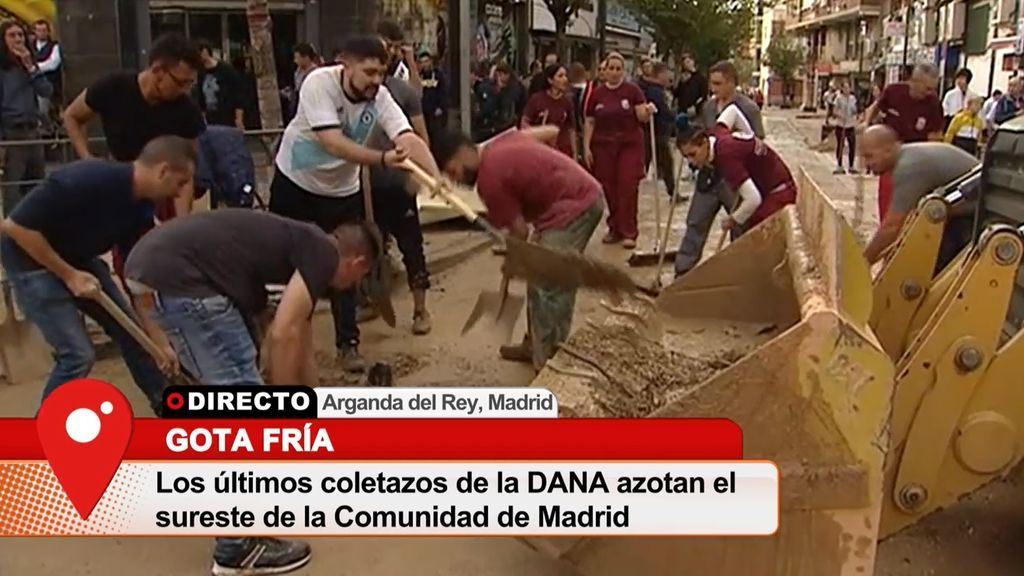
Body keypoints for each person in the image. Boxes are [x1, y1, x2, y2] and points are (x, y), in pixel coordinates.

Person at [126, 210, 368, 576]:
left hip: (162, 275)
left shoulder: (301, 246)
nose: (350, 287)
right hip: (185, 284)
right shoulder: (322, 252)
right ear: (357, 262)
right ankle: (235, 550)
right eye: (359, 279)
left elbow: (297, 335)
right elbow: (283, 334)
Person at [267, 35, 439, 373]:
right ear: (345, 64)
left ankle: (348, 345)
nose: (376, 80)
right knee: (280, 270)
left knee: (345, 268)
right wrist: (384, 158)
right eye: (369, 72)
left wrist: (436, 178)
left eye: (382, 73)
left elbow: (407, 138)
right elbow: (333, 143)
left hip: (340, 192)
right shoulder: (319, 83)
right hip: (295, 184)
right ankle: (275, 346)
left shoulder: (382, 97)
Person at [0, 136, 195, 415]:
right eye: (179, 183)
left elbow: (135, 279)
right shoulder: (89, 178)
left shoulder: (141, 208)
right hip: (30, 260)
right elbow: (15, 227)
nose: (178, 195)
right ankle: (43, 434)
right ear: (162, 170)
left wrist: (157, 340)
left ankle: (169, 409)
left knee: (135, 337)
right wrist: (69, 276)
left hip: (79, 258)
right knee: (77, 355)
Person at [435, 125, 604, 369]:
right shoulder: (500, 142)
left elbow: (519, 232)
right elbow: (549, 133)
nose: (456, 181)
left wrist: (513, 261)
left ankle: (549, 361)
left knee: (550, 284)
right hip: (568, 199)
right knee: (538, 276)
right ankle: (535, 344)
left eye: (453, 172)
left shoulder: (489, 181)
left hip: (576, 205)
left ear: (463, 154)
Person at [62, 32, 205, 266]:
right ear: (158, 71)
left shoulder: (185, 111)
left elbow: (186, 172)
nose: (184, 90)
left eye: (190, 84)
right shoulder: (113, 87)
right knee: (123, 258)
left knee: (164, 257)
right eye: (180, 82)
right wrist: (86, 158)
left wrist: (181, 221)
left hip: (163, 186)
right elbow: (72, 115)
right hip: (122, 182)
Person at [359, 35, 434, 336]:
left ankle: (420, 310)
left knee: (412, 247)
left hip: (398, 186)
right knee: (368, 247)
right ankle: (371, 301)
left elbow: (420, 136)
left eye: (385, 53)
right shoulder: (350, 96)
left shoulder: (402, 93)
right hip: (365, 186)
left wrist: (422, 178)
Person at [674, 59, 765, 277]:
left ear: (732, 82)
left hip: (735, 179)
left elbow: (758, 141)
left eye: (718, 84)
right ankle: (683, 272)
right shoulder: (708, 107)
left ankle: (738, 275)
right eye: (712, 84)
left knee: (739, 226)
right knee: (695, 221)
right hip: (708, 174)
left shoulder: (748, 108)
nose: (714, 90)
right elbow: (702, 136)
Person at [860, 125, 979, 271]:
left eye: (870, 156)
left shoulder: (908, 168)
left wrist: (862, 263)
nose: (867, 164)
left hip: (973, 216)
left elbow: (892, 226)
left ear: (888, 150)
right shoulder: (909, 155)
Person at [675, 125, 796, 239]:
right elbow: (733, 111)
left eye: (692, 154)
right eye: (686, 157)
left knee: (754, 234)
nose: (690, 161)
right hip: (777, 186)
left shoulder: (726, 158)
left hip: (780, 194)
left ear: (705, 143)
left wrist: (733, 219)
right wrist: (749, 137)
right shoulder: (717, 132)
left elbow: (754, 199)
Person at [583, 52, 653, 249]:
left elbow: (641, 116)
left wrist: (647, 112)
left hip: (629, 145)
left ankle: (630, 231)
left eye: (618, 68)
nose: (614, 72)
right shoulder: (596, 94)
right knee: (609, 188)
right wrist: (586, 147)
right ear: (604, 71)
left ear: (623, 71)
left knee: (627, 186)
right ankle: (614, 228)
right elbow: (589, 121)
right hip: (603, 146)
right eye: (610, 68)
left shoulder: (633, 91)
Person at [0, 21, 51, 215]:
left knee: (37, 186)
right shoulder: (2, 70)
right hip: (12, 132)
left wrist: (31, 67)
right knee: (13, 190)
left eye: (20, 35)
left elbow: (46, 90)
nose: (18, 40)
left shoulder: (30, 66)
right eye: (12, 36)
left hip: (33, 131)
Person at [862, 63, 943, 143]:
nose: (931, 92)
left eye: (934, 89)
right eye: (928, 88)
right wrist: (867, 124)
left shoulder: (934, 104)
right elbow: (875, 107)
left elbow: (935, 135)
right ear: (914, 82)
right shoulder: (893, 91)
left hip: (914, 150)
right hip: (889, 146)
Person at [521, 63, 577, 158]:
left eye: (565, 76)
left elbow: (571, 129)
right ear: (550, 80)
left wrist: (575, 154)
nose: (565, 79)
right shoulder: (536, 99)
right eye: (560, 76)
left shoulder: (567, 102)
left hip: (562, 151)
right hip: (540, 150)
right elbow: (525, 123)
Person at [638, 61, 676, 200]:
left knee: (649, 163)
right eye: (666, 74)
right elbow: (663, 111)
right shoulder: (656, 91)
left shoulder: (653, 89)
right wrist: (675, 117)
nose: (668, 78)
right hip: (656, 133)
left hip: (654, 132)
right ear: (660, 74)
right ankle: (673, 192)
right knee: (666, 163)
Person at [197, 40, 245, 130]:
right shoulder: (201, 73)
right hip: (210, 119)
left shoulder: (226, 70)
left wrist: (238, 118)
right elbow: (201, 98)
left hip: (226, 117)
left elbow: (238, 94)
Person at [31, 19, 61, 134]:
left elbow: (52, 64)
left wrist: (33, 67)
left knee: (43, 111)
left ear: (48, 32)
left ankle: (49, 131)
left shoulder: (55, 46)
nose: (41, 33)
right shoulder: (30, 46)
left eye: (44, 30)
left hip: (48, 84)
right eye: (38, 30)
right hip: (31, 85)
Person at [378, 19, 422, 94]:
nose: (392, 51)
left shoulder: (398, 69)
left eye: (396, 47)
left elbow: (416, 94)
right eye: (389, 46)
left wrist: (411, 63)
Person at [418, 50, 449, 150]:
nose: (425, 64)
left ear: (431, 61)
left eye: (426, 61)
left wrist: (441, 107)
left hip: (436, 114)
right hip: (423, 114)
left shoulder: (438, 75)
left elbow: (444, 91)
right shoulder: (418, 76)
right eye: (422, 62)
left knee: (438, 139)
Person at [831, 80, 859, 174]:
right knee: (840, 145)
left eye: (848, 88)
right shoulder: (838, 98)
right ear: (842, 89)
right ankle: (839, 165)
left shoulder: (852, 98)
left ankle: (851, 166)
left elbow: (855, 110)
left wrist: (855, 112)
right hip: (841, 125)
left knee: (852, 145)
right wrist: (840, 115)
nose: (847, 90)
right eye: (845, 88)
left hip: (850, 125)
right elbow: (834, 111)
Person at [494, 62, 527, 133]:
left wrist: (501, 90)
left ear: (507, 75)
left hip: (514, 121)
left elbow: (507, 102)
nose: (498, 78)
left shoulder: (514, 88)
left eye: (500, 75)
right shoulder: (509, 86)